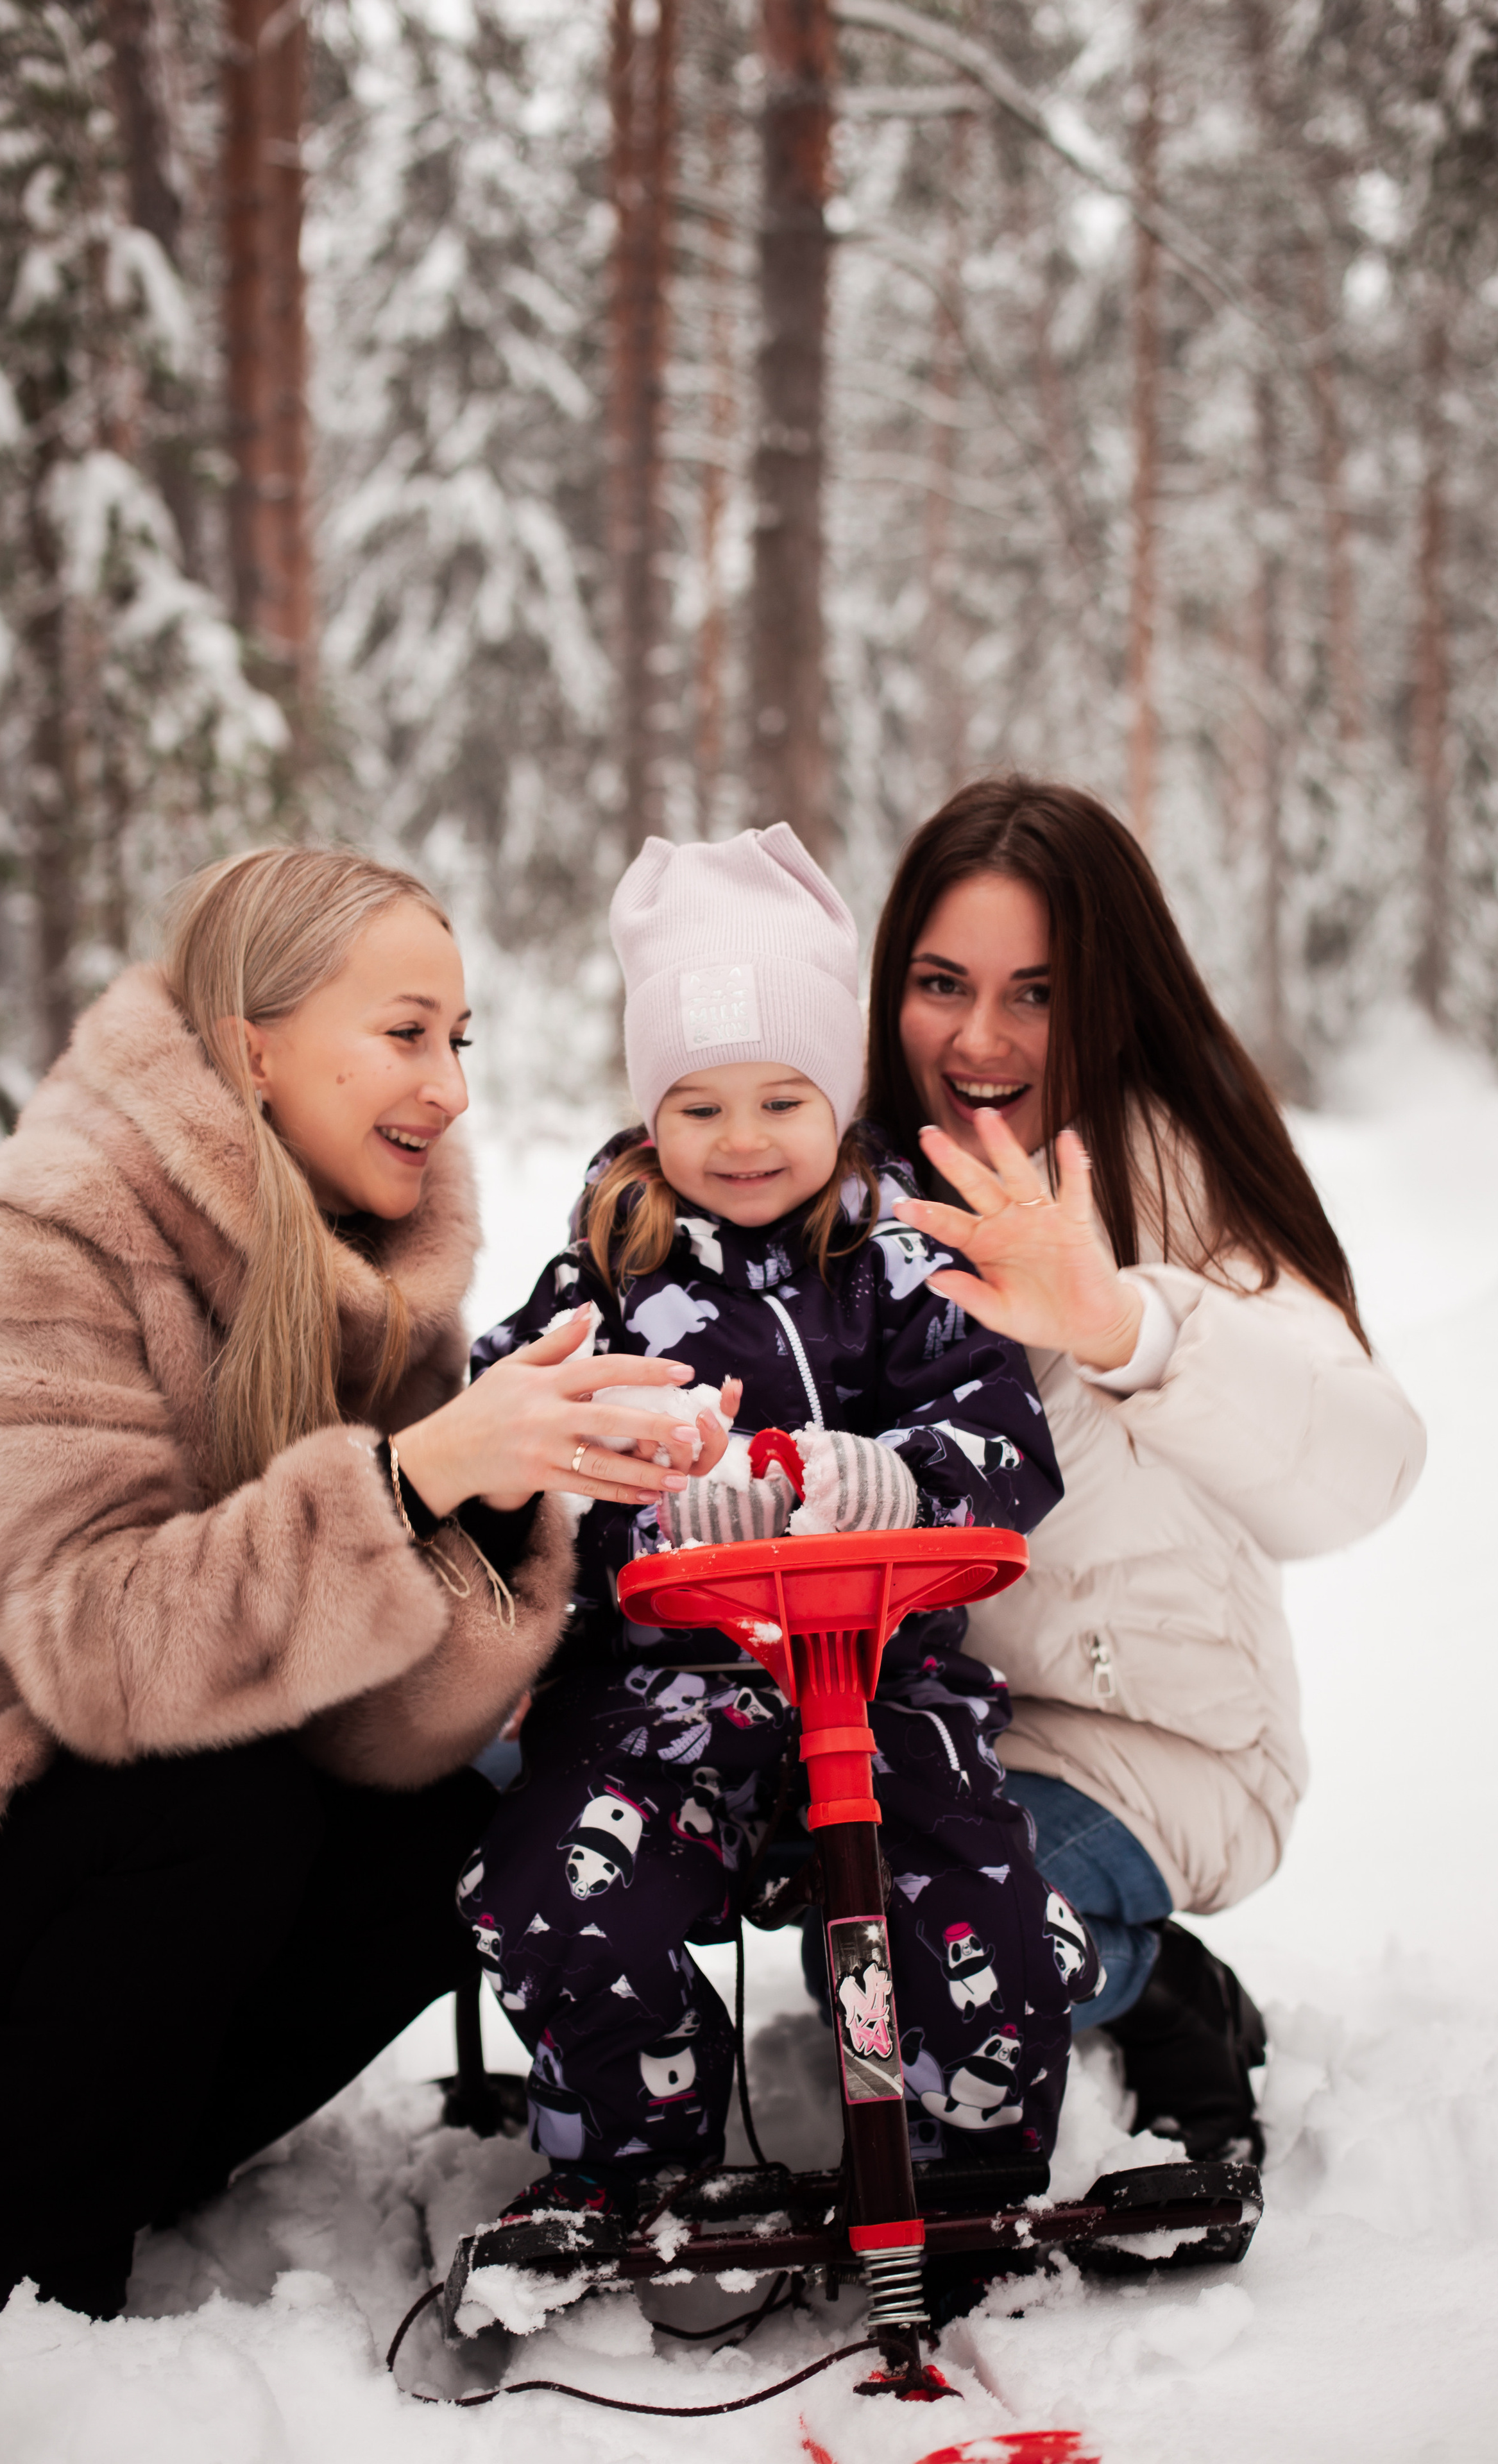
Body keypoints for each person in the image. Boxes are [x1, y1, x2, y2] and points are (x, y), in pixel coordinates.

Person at [0, 846, 715, 2322]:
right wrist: (408, 1482)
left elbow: (372, 1739)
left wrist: (487, 1513)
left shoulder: (373, 1280)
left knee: (440, 1847)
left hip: (123, 1843)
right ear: (255, 1049)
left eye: (459, 1041)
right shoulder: (37, 1240)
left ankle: (127, 2157)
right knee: (215, 1801)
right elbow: (96, 1649)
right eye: (407, 1034)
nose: (451, 1087)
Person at [454, 825, 1100, 2240]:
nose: (739, 1143)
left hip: (880, 1693)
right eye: (695, 1108)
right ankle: (629, 2166)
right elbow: (502, 1432)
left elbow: (1010, 1444)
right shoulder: (608, 1274)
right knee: (560, 1895)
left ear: (838, 1091)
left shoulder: (906, 1260)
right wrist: (635, 1479)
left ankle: (972, 2160)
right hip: (655, 1702)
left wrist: (890, 1475)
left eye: (778, 1100)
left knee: (982, 1926)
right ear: (645, 1118)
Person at [866, 777, 1427, 2162]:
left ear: (1105, 998)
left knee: (938, 1963)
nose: (978, 1039)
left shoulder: (1176, 1186)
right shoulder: (851, 1187)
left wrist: (1126, 1325)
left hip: (1151, 1750)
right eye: (941, 984)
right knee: (859, 1949)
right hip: (925, 1736)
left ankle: (1158, 1987)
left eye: (1033, 994)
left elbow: (1361, 1467)